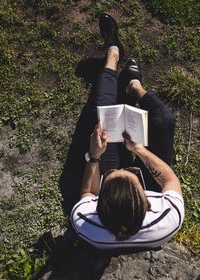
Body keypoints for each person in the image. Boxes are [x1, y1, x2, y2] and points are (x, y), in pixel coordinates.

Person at [71, 13, 184, 249]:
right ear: (147, 201)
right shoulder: (169, 217)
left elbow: (86, 193)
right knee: (164, 120)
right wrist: (138, 150)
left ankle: (113, 54)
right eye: (131, 172)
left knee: (100, 114)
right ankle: (134, 85)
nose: (126, 167)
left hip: (113, 185)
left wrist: (94, 157)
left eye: (112, 176)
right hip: (143, 187)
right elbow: (171, 179)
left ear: (99, 206)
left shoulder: (85, 222)